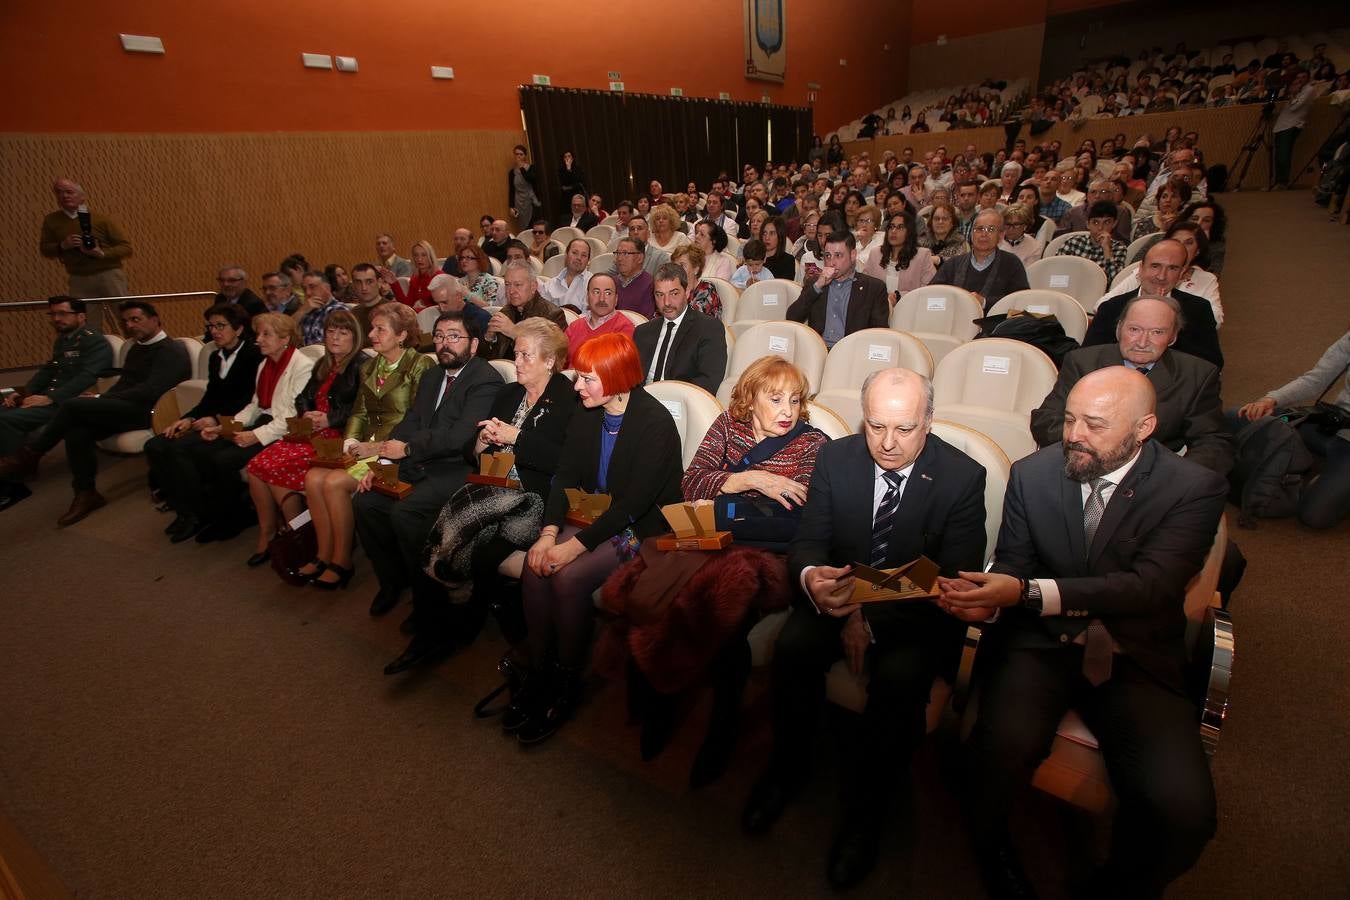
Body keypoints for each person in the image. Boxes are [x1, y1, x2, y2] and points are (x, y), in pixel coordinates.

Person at [941, 367, 1226, 900]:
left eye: (1094, 424)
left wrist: (1024, 594)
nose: (1074, 434)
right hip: (1040, 645)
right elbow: (1014, 565)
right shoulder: (1034, 473)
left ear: (1143, 428)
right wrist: (988, 602)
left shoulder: (1193, 487)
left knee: (1183, 812)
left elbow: (1150, 588)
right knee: (995, 754)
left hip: (1133, 653)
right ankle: (992, 851)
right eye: (1070, 418)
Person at [741, 368, 987, 891]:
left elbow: (947, 577)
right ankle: (787, 769)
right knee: (794, 649)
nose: (888, 443)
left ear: (929, 422)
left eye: (904, 429)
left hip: (914, 613)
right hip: (840, 597)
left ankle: (867, 814)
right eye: (876, 427)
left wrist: (870, 618)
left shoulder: (963, 477)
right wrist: (811, 579)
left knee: (899, 683)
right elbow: (810, 542)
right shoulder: (836, 457)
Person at [608, 357, 827, 784]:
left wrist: (722, 500)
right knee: (659, 590)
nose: (788, 410)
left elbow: (792, 518)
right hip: (708, 541)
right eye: (776, 398)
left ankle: (720, 727)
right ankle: (660, 696)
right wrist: (754, 482)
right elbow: (690, 482)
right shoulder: (728, 426)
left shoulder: (813, 444)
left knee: (722, 610)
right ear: (750, 398)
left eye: (795, 400)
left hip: (766, 557)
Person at [506, 333, 683, 745]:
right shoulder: (588, 411)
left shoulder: (655, 424)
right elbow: (564, 475)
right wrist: (548, 535)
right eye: (578, 377)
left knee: (567, 576)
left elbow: (633, 505)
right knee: (537, 568)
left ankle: (567, 680)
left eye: (587, 379)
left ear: (617, 377)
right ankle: (539, 671)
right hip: (590, 516)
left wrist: (570, 547)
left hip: (637, 529)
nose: (577, 386)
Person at [422, 319, 576, 667]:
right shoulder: (508, 394)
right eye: (517, 353)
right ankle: (455, 618)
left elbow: (566, 462)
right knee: (455, 535)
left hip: (536, 497)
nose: (517, 361)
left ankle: (490, 625)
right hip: (494, 488)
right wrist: (482, 440)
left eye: (525, 355)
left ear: (550, 360)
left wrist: (515, 438)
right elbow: (470, 451)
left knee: (483, 551)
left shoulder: (568, 399)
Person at [356, 310, 504, 672]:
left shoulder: (485, 379)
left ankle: (434, 615)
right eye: (438, 336)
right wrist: (386, 461)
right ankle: (397, 584)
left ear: (473, 343)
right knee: (367, 501)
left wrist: (405, 451)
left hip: (459, 469)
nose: (443, 344)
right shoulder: (434, 373)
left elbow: (459, 439)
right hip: (421, 462)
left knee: (406, 513)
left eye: (454, 336)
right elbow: (412, 421)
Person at [284, 304, 434, 596]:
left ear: (402, 335)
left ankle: (342, 561)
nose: (372, 334)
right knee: (314, 478)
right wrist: (351, 443)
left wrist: (376, 447)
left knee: (333, 482)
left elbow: (419, 419)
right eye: (372, 328)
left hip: (394, 450)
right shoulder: (369, 366)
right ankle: (323, 553)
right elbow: (358, 413)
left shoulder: (420, 366)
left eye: (381, 329)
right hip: (364, 446)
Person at [0, 300, 190, 527]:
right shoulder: (138, 346)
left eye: (135, 319)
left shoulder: (171, 349)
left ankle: (32, 453)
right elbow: (124, 384)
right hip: (126, 407)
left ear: (155, 320)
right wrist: (103, 399)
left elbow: (152, 390)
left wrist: (103, 399)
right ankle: (86, 493)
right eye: (126, 321)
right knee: (77, 431)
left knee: (72, 405)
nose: (129, 325)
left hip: (151, 411)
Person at [1033, 296, 1233, 476]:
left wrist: (1174, 479)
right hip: (1085, 466)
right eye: (1134, 330)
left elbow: (1213, 441)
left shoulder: (1197, 374)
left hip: (1153, 474)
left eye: (1157, 332)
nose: (1143, 342)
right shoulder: (1083, 362)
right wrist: (1093, 444)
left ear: (1173, 337)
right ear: (1119, 329)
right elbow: (1045, 420)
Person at [241, 309, 364, 573]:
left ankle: (299, 530)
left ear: (356, 337)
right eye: (331, 331)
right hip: (311, 430)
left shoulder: (360, 365)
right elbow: (302, 398)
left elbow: (360, 409)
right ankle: (282, 531)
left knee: (272, 467)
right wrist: (308, 411)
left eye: (343, 333)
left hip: (337, 435)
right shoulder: (324, 363)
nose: (335, 338)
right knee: (257, 465)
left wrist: (329, 419)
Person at [187, 313, 318, 545]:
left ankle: (233, 519)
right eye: (259, 333)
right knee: (200, 451)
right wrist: (224, 427)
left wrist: (255, 436)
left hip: (285, 431)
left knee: (222, 460)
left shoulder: (302, 366)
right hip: (264, 423)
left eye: (266, 334)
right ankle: (216, 514)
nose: (258, 339)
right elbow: (255, 406)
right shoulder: (265, 365)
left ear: (285, 338)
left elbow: (291, 416)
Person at [144, 303, 263, 540]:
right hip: (216, 419)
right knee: (155, 445)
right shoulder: (215, 357)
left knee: (180, 451)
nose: (215, 331)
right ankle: (184, 508)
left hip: (241, 422)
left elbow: (251, 402)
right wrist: (188, 418)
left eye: (221, 326)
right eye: (211, 326)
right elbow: (211, 396)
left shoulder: (253, 356)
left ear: (239, 329)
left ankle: (198, 513)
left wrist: (214, 419)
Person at [0, 297, 113, 510]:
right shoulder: (64, 340)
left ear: (81, 316)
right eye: (53, 314)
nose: (56, 319)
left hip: (65, 403)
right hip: (49, 398)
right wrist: (24, 394)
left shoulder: (93, 341)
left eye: (63, 314)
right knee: (5, 409)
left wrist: (50, 398)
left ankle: (16, 475)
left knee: (5, 420)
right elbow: (49, 371)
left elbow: (87, 377)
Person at [1237, 332, 1350, 529]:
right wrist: (1271, 399)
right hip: (1335, 423)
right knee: (1246, 419)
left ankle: (1323, 473)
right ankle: (1317, 466)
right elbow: (1317, 379)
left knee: (1315, 516)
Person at [1086, 239, 1223, 369]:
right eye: (1155, 266)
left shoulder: (1199, 309)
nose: (1161, 276)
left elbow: (1212, 363)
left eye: (1172, 268)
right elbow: (1088, 356)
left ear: (1182, 273)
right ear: (1140, 269)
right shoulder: (1112, 307)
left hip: (1175, 387)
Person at [633, 263, 727, 394]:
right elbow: (630, 378)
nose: (666, 302)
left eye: (674, 294)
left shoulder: (709, 328)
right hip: (642, 403)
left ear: (687, 292)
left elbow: (708, 381)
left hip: (681, 403)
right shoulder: (642, 332)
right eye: (659, 295)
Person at [787, 231, 888, 349]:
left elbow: (880, 335)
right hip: (818, 350)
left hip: (853, 353)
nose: (831, 262)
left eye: (838, 255)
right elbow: (792, 318)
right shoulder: (815, 283)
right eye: (828, 255)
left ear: (853, 255)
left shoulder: (873, 288)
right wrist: (817, 286)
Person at [39, 178, 133, 299]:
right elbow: (45, 249)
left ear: (82, 197)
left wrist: (101, 253)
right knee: (84, 316)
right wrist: (62, 246)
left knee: (120, 314)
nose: (64, 196)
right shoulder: (51, 220)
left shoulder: (100, 219)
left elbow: (126, 248)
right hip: (78, 277)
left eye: (69, 192)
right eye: (59, 192)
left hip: (109, 274)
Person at [1119, 220, 1223, 325]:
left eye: (1189, 243)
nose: (1161, 276)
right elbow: (1107, 303)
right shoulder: (1146, 273)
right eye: (1176, 241)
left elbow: (1215, 320)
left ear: (1197, 251)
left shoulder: (1206, 280)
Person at [930, 208, 1030, 313]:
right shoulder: (953, 264)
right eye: (979, 229)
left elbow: (1021, 300)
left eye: (991, 229)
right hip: (954, 323)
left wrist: (985, 302)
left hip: (994, 326)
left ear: (1000, 235)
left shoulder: (1012, 264)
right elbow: (932, 293)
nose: (984, 234)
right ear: (971, 234)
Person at [478, 260, 566, 360]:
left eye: (518, 285)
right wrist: (489, 338)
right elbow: (484, 358)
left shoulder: (553, 315)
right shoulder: (504, 312)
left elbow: (554, 358)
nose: (511, 291)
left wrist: (514, 332)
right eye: (507, 284)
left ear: (533, 286)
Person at [863, 209, 935, 304]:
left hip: (911, 309)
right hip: (879, 310)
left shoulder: (922, 255)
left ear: (909, 232)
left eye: (900, 227)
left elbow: (929, 289)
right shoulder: (875, 254)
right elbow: (865, 285)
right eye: (891, 227)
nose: (893, 231)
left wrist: (899, 296)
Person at [1055, 200, 1129, 282]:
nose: (1100, 228)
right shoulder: (1072, 242)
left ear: (1114, 224)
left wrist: (1107, 250)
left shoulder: (1119, 248)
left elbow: (1117, 282)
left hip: (1100, 292)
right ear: (1088, 224)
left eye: (1106, 222)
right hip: (1069, 288)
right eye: (1096, 223)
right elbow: (1055, 271)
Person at [1273, 70, 1322, 189]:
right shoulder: (1295, 89)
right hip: (1281, 125)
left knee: (1284, 155)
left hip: (1292, 125)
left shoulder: (1309, 90)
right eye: (1298, 77)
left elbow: (1295, 107)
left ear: (1308, 78)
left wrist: (1293, 94)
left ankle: (1283, 182)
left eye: (1303, 77)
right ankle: (1278, 181)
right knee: (1278, 156)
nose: (1300, 79)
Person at [383, 240, 440, 312]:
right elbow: (407, 304)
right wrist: (394, 283)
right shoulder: (415, 279)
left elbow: (441, 307)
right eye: (416, 255)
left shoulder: (439, 277)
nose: (419, 259)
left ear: (430, 257)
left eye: (424, 255)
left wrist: (417, 309)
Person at [538, 238, 592, 312]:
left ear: (588, 261)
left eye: (584, 255)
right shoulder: (550, 285)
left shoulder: (593, 284)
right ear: (566, 255)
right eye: (574, 253)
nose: (579, 258)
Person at [295, 270, 347, 346]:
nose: (307, 293)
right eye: (304, 289)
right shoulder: (306, 309)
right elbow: (283, 333)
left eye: (312, 287)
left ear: (327, 288)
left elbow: (335, 344)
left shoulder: (338, 310)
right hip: (305, 355)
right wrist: (301, 311)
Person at [670, 245, 721, 319]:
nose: (676, 270)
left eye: (682, 265)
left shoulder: (707, 289)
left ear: (696, 269)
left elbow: (691, 319)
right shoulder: (671, 289)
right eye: (674, 266)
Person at [1182, 200, 1227, 275]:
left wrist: (1204, 246)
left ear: (1214, 224)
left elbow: (1214, 275)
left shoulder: (1217, 243)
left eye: (1206, 220)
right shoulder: (1174, 237)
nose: (1198, 223)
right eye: (1194, 219)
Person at [613, 237, 654, 318]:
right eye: (618, 253)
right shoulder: (611, 282)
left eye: (625, 253)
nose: (620, 258)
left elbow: (645, 320)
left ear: (640, 258)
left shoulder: (650, 284)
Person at [508, 144, 542, 230]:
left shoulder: (532, 168)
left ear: (525, 156)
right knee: (524, 228)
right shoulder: (512, 172)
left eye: (521, 154)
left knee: (534, 226)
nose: (518, 156)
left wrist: (521, 168)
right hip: (519, 202)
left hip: (532, 201)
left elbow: (530, 179)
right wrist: (511, 206)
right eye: (516, 154)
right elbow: (512, 190)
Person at [348, 263, 385, 336]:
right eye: (358, 283)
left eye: (369, 282)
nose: (364, 288)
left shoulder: (392, 311)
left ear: (380, 283)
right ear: (353, 286)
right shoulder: (353, 314)